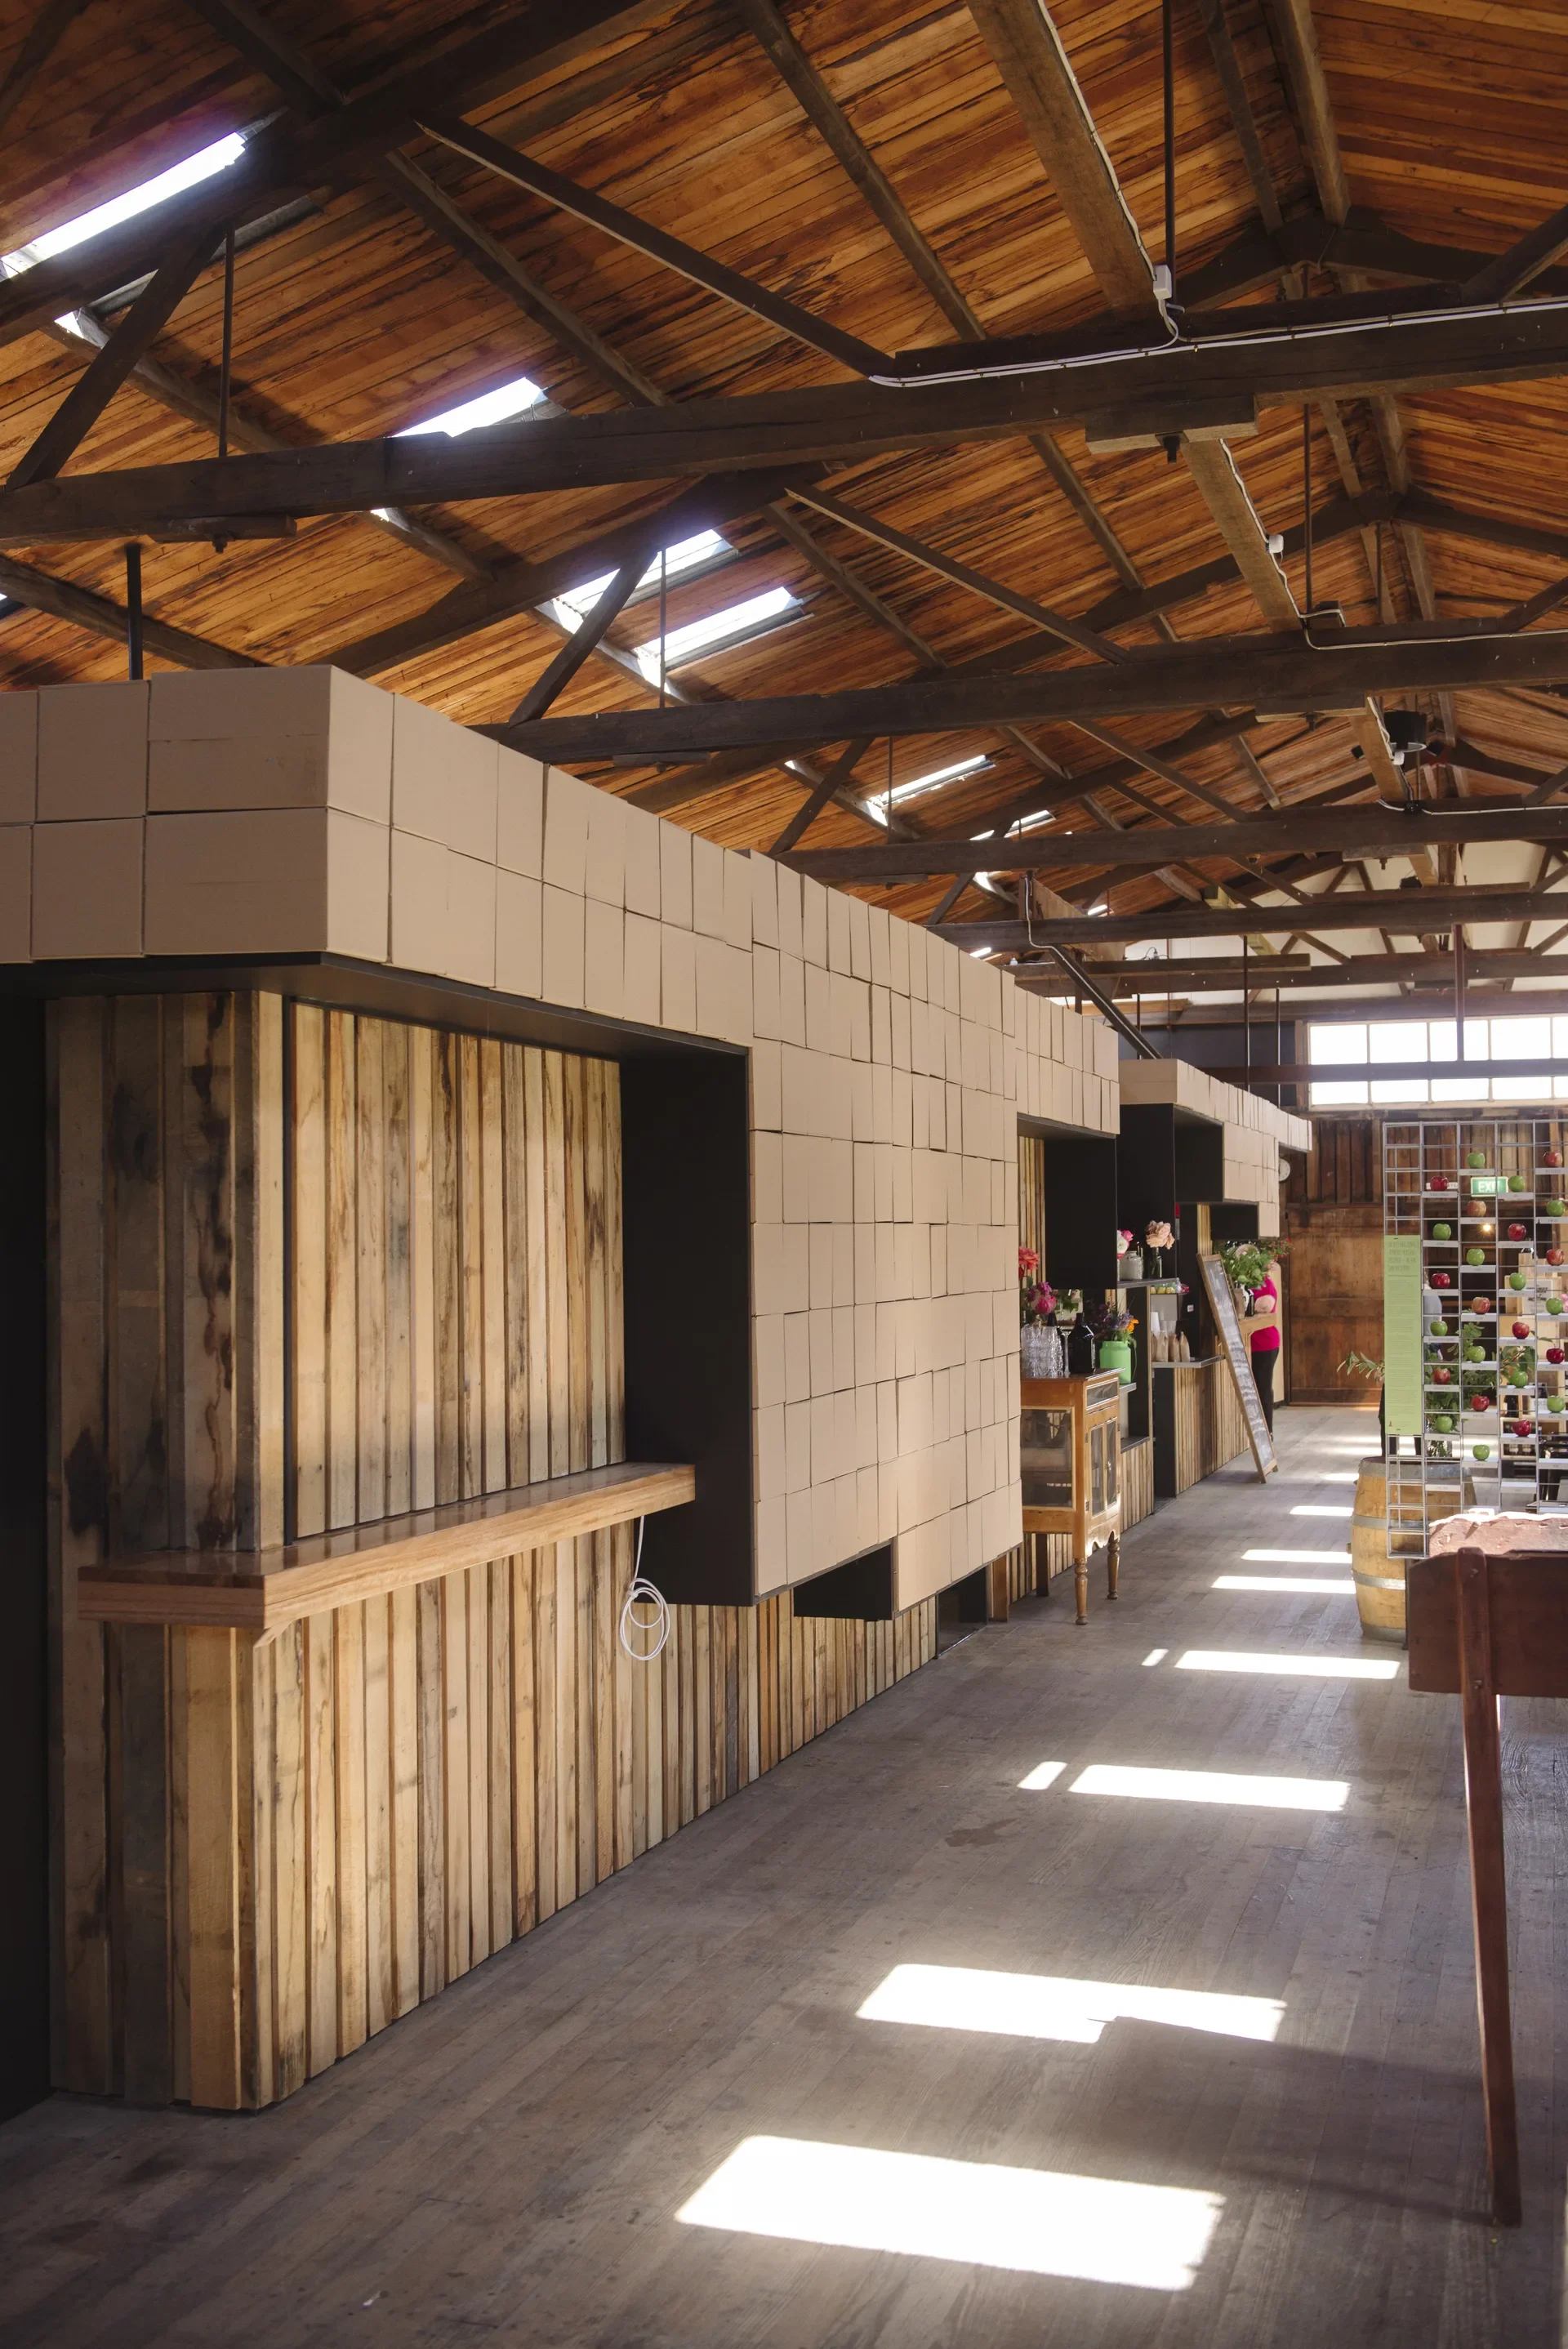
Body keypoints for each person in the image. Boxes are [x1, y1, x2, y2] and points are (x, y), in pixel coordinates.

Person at [1246, 1264, 1281, 1432]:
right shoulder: (1245, 1284)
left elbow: (1265, 1305)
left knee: (1263, 1387)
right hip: (1250, 1345)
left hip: (1265, 1345)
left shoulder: (1265, 1284)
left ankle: (1268, 1431)